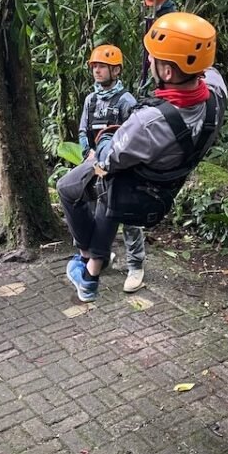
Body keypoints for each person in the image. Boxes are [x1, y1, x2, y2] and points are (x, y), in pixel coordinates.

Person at [58, 12, 227, 303]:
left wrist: (107, 138)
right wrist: (162, 2)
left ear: (169, 73)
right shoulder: (216, 94)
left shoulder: (148, 123)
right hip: (164, 183)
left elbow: (109, 159)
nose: (149, 62)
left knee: (68, 188)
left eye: (154, 59)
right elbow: (204, 62)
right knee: (106, 199)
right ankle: (93, 266)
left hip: (134, 188)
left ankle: (87, 261)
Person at [76, 44, 146, 293]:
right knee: (96, 212)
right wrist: (88, 153)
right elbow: (84, 130)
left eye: (102, 66)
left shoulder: (126, 101)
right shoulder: (91, 100)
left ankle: (136, 266)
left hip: (122, 167)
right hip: (96, 166)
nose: (96, 70)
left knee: (127, 216)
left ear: (115, 70)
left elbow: (134, 134)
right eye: (94, 66)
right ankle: (101, 257)